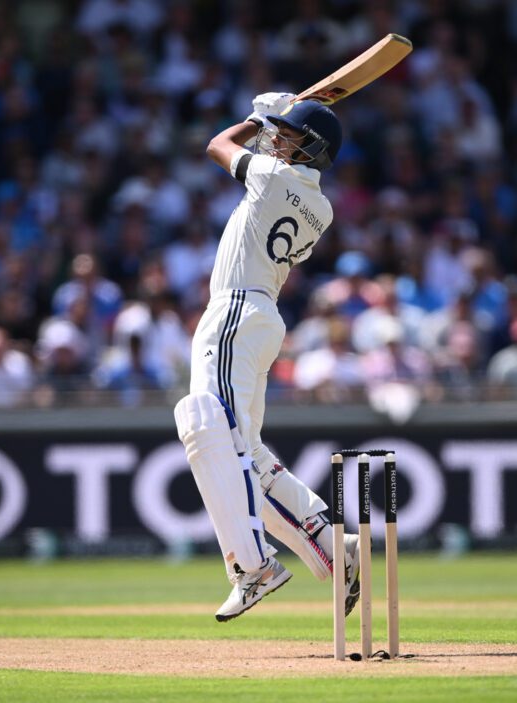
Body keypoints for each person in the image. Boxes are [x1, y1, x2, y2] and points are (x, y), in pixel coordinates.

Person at [174, 93, 360, 621]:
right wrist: (278, 122)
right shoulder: (321, 207)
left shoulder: (273, 177)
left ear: (312, 149)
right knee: (244, 451)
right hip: (261, 316)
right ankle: (331, 543)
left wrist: (255, 118)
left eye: (289, 135)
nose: (276, 140)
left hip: (235, 310)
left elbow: (217, 144)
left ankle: (252, 567)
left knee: (207, 425)